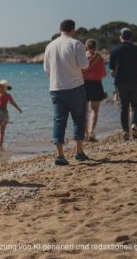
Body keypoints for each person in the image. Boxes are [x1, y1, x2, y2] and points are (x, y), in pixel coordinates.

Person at [43, 19, 89, 165]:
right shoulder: (76, 44)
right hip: (75, 86)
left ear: (60, 29)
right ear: (73, 29)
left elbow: (47, 70)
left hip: (56, 87)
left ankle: (60, 155)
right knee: (79, 119)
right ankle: (79, 152)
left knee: (59, 120)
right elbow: (84, 65)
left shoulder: (50, 45)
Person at [109, 27, 137, 140]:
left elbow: (111, 70)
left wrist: (114, 76)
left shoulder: (115, 51)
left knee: (123, 108)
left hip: (120, 83)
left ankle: (125, 131)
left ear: (121, 37)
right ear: (131, 37)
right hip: (135, 81)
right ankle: (134, 124)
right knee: (135, 105)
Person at [81, 39, 106, 142]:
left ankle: (84, 133)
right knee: (94, 110)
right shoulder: (99, 58)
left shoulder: (82, 57)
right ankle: (91, 132)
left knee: (84, 111)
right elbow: (104, 74)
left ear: (86, 46)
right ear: (96, 46)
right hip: (96, 84)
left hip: (83, 84)